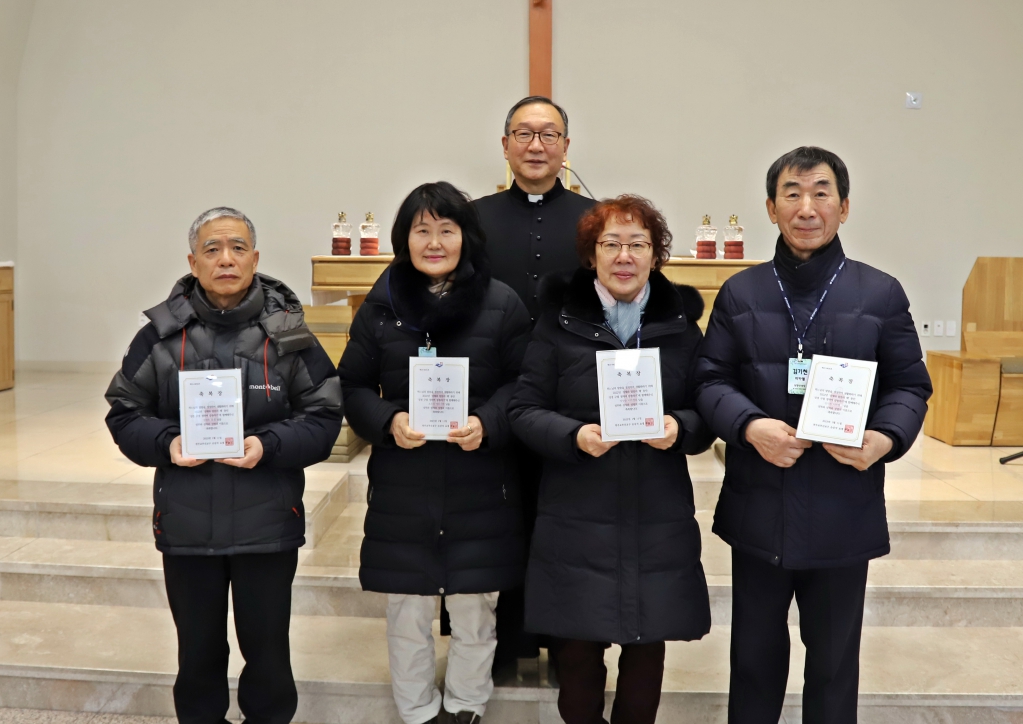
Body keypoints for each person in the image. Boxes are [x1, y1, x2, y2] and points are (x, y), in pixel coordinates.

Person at [694, 147, 933, 724]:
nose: (807, 208)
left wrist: (883, 440)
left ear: (843, 208)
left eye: (821, 193)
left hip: (842, 508)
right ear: (771, 208)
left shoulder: (879, 293)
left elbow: (909, 385)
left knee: (833, 666)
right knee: (753, 662)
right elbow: (709, 379)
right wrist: (751, 426)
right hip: (759, 507)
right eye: (793, 193)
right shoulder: (741, 292)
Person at [105, 207, 343, 723]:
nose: (226, 259)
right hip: (188, 526)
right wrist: (167, 443)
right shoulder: (160, 337)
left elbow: (324, 416)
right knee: (197, 657)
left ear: (255, 259)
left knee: (269, 657)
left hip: (267, 525)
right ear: (193, 263)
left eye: (237, 248)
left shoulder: (288, 334)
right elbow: (124, 413)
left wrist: (268, 445)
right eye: (212, 249)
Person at [509, 195, 714, 724]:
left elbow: (708, 407)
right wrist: (574, 435)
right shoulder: (558, 324)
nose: (625, 256)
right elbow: (523, 409)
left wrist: (681, 428)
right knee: (577, 658)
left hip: (657, 514)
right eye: (611, 244)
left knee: (647, 653)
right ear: (591, 255)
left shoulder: (681, 328)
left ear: (656, 256)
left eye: (638, 244)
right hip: (576, 515)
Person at [338, 182, 532, 724]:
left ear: (466, 237)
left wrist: (487, 422)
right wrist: (388, 421)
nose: (435, 242)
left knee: (476, 611)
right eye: (422, 230)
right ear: (405, 238)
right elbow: (352, 384)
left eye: (447, 230)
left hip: (481, 484)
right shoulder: (382, 305)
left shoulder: (502, 302)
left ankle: (466, 706)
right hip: (404, 485)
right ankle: (418, 710)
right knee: (407, 610)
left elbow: (525, 382)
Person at [474, 96, 597, 675]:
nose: (536, 145)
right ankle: (504, 644)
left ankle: (566, 644)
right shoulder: (472, 218)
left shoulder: (597, 221)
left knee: (562, 520)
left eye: (549, 134)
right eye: (524, 134)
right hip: (492, 394)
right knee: (500, 518)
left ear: (566, 147)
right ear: (505, 145)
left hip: (570, 399)